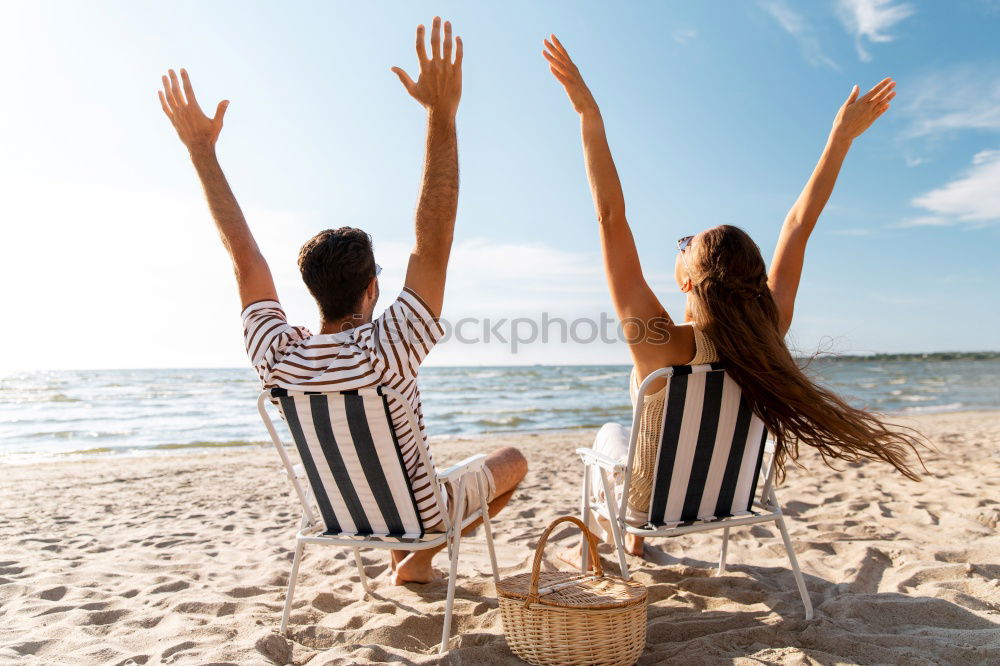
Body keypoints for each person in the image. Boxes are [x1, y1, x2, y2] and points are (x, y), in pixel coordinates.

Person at [157, 17, 527, 585]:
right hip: (420, 515)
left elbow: (245, 258)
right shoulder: (389, 347)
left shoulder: (276, 355)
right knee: (513, 462)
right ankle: (418, 557)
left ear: (311, 291)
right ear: (372, 287)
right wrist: (441, 114)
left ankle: (406, 559)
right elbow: (435, 239)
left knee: (391, 468)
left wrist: (201, 152)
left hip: (336, 518)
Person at [542, 34, 922, 559]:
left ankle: (628, 541)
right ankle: (633, 542)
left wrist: (588, 111)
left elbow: (611, 218)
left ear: (688, 282)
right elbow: (799, 225)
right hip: (726, 501)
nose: (678, 246)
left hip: (650, 507)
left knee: (610, 434)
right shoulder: (769, 329)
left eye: (684, 246)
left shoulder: (659, 343)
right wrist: (840, 138)